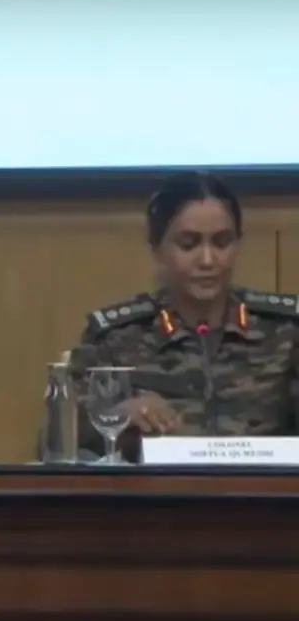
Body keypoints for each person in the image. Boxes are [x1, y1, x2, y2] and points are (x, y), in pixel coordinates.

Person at [69, 171, 299, 459]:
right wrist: (119, 415)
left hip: (267, 487)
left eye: (222, 242)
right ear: (157, 248)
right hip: (157, 488)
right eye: (189, 244)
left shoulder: (284, 330)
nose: (208, 260)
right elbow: (57, 439)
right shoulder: (116, 338)